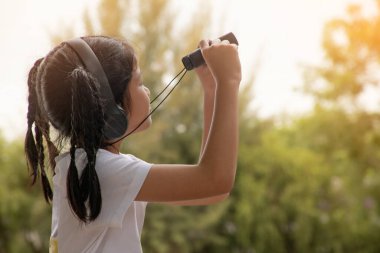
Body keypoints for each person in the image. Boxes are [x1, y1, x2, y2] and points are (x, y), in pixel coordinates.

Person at [24, 35, 241, 252]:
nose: (146, 90)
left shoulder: (94, 168)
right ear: (111, 108)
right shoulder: (102, 171)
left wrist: (213, 90)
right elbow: (215, 180)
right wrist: (228, 81)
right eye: (139, 82)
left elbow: (211, 191)